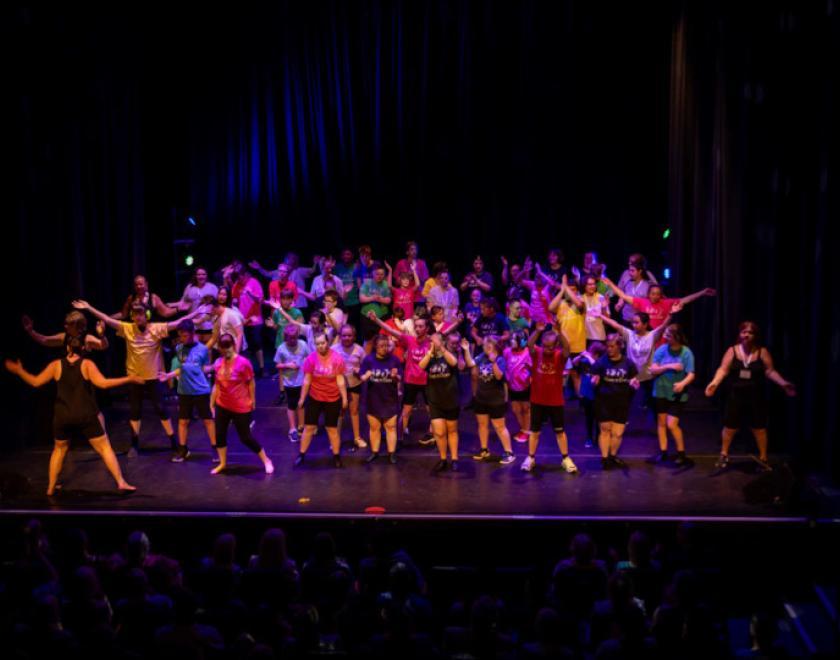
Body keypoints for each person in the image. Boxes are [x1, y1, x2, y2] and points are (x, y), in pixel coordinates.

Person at [5, 337, 140, 495]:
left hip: (63, 416)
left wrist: (20, 371)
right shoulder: (87, 364)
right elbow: (103, 383)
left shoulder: (56, 365)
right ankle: (121, 482)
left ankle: (50, 488)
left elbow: (36, 382)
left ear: (68, 348)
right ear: (83, 348)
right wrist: (129, 378)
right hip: (85, 414)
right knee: (104, 447)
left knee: (59, 450)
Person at [72, 299, 206, 456]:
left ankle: (173, 441)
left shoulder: (156, 328)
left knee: (161, 409)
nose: (138, 318)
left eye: (141, 314)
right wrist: (89, 307)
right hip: (135, 378)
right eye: (135, 315)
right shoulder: (128, 329)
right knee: (135, 411)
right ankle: (134, 443)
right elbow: (108, 320)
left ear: (147, 315)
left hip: (153, 377)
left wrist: (195, 313)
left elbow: (177, 323)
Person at [705, 321, 796, 470]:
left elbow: (770, 371)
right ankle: (724, 454)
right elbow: (723, 369)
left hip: (755, 396)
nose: (746, 335)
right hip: (736, 396)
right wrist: (714, 383)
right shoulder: (732, 351)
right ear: (739, 334)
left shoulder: (762, 351)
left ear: (755, 335)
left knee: (759, 428)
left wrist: (783, 383)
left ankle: (763, 457)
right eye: (744, 332)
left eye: (750, 332)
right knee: (730, 427)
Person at [210, 334, 274, 475]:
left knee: (245, 437)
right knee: (219, 435)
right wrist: (212, 403)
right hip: (223, 404)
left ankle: (266, 460)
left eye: (229, 347)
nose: (227, 351)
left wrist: (252, 401)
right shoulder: (218, 363)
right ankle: (222, 463)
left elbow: (250, 382)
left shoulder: (243, 363)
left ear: (233, 346)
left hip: (240, 406)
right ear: (220, 349)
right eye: (223, 348)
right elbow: (217, 385)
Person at [368, 312, 435, 445]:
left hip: (427, 380)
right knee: (406, 410)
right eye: (416, 326)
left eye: (421, 326)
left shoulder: (432, 341)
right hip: (411, 380)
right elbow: (391, 330)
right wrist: (376, 320)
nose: (418, 329)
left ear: (427, 328)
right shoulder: (410, 339)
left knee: (431, 410)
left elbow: (446, 338)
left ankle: (431, 434)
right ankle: (399, 437)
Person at [158, 320, 217, 464]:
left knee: (208, 421)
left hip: (200, 390)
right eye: (181, 336)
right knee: (183, 421)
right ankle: (183, 450)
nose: (183, 339)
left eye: (185, 336)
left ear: (192, 334)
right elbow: (182, 368)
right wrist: (169, 375)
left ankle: (216, 449)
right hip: (184, 390)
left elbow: (204, 368)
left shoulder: (202, 349)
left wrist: (213, 368)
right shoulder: (179, 348)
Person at [521, 323, 577, 473]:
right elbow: (529, 344)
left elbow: (567, 349)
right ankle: (531, 458)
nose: (548, 349)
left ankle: (565, 458)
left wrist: (559, 332)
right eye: (545, 346)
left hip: (555, 401)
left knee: (560, 431)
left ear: (556, 344)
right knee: (535, 431)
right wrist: (538, 331)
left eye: (551, 347)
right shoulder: (537, 352)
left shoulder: (559, 355)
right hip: (537, 400)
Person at [598, 308, 678, 412]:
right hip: (631, 375)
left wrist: (670, 314)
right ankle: (622, 421)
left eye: (637, 322)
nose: (634, 325)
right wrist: (600, 316)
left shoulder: (652, 335)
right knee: (625, 400)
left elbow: (663, 326)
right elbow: (615, 324)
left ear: (645, 324)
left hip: (648, 375)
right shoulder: (629, 334)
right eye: (633, 322)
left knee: (653, 402)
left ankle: (658, 423)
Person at [296, 332, 348, 468]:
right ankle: (301, 454)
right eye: (317, 344)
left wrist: (345, 399)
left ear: (328, 342)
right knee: (309, 427)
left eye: (323, 343)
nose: (320, 346)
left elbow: (340, 380)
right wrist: (302, 398)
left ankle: (336, 456)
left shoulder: (337, 358)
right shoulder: (311, 359)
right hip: (315, 398)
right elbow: (307, 380)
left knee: (331, 429)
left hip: (332, 398)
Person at [591, 334, 640, 470]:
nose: (609, 349)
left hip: (622, 402)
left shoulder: (628, 363)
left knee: (618, 433)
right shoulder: (601, 362)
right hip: (604, 402)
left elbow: (633, 379)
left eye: (612, 346)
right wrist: (594, 381)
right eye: (607, 346)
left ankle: (612, 456)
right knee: (605, 429)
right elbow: (594, 378)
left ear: (620, 346)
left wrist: (634, 383)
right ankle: (605, 458)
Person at [650, 324, 695, 466]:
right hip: (661, 390)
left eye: (669, 335)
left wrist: (682, 384)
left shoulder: (686, 352)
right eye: (666, 334)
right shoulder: (662, 350)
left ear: (677, 337)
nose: (665, 337)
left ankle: (681, 453)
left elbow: (691, 374)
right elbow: (653, 370)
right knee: (661, 422)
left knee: (672, 424)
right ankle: (663, 452)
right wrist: (669, 366)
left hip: (677, 394)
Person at [465, 337, 515, 464]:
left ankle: (509, 452)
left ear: (495, 346)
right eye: (485, 345)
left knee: (499, 426)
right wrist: (466, 350)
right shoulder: (481, 356)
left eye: (489, 345)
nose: (485, 347)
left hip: (495, 399)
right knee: (482, 425)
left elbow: (499, 376)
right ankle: (484, 450)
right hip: (481, 398)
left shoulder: (500, 359)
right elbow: (470, 364)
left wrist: (493, 362)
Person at [419, 333, 462, 472]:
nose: (433, 343)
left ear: (443, 342)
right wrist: (431, 351)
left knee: (452, 430)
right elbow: (421, 366)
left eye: (436, 341)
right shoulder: (430, 357)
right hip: (434, 400)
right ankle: (443, 459)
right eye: (432, 341)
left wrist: (442, 348)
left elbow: (454, 363)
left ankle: (454, 459)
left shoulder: (449, 355)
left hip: (450, 399)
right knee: (439, 432)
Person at [603, 278, 716, 331]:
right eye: (653, 294)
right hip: (645, 339)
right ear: (648, 294)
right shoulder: (642, 302)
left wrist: (702, 293)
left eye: (658, 294)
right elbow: (623, 296)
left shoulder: (666, 303)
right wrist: (610, 284)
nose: (655, 296)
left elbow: (685, 300)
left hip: (661, 340)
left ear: (661, 295)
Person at [359, 335, 402, 464]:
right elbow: (362, 376)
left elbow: (399, 378)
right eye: (381, 346)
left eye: (387, 346)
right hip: (373, 399)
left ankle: (391, 453)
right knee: (374, 427)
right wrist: (365, 376)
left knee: (391, 427)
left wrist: (395, 376)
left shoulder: (394, 360)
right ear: (376, 347)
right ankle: (375, 452)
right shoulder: (369, 360)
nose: (385, 349)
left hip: (389, 399)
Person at [548, 278, 586, 396]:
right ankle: (558, 399)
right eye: (569, 291)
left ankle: (581, 401)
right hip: (562, 347)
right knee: (560, 374)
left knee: (576, 375)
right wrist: (562, 290)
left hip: (577, 347)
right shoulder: (560, 304)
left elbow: (579, 304)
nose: (570, 293)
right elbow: (550, 308)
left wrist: (566, 287)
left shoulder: (581, 303)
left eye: (573, 290)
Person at [331, 324, 367, 449]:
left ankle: (357, 438)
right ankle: (335, 439)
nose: (347, 338)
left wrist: (360, 370)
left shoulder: (359, 349)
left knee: (354, 411)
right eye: (344, 335)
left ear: (354, 336)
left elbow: (366, 366)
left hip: (354, 384)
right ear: (340, 336)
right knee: (339, 412)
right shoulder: (334, 349)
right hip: (338, 386)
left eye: (349, 335)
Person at [273, 324, 310, 442]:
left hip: (302, 380)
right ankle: (292, 429)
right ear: (286, 337)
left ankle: (301, 426)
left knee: (302, 403)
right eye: (290, 338)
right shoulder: (282, 348)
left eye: (295, 337)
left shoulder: (303, 345)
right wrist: (287, 365)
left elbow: (309, 358)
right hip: (289, 382)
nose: (293, 340)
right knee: (291, 405)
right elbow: (277, 364)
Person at [230, 269, 266, 377]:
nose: (240, 279)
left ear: (245, 274)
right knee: (246, 346)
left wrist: (251, 294)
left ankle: (262, 368)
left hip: (255, 319)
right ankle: (248, 369)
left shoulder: (253, 282)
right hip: (242, 320)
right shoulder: (236, 285)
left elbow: (260, 300)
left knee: (257, 343)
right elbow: (234, 300)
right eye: (237, 277)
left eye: (241, 276)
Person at [22, 312, 109, 353]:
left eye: (69, 324)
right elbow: (45, 340)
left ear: (77, 326)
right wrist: (31, 331)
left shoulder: (86, 338)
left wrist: (101, 335)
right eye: (66, 324)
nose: (65, 326)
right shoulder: (64, 337)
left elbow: (103, 346)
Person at [572, 342, 605, 449]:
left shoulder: (601, 362)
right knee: (589, 417)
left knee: (598, 418)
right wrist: (580, 356)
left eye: (592, 353)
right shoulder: (586, 361)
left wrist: (588, 357)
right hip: (587, 393)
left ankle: (599, 437)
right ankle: (589, 437)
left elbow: (596, 366)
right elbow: (574, 362)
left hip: (598, 394)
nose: (590, 354)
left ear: (597, 354)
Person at [172, 267, 218, 342]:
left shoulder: (212, 287)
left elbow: (218, 305)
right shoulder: (189, 287)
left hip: (208, 325)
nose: (201, 276)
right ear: (195, 276)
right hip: (194, 326)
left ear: (206, 276)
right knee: (195, 349)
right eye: (199, 274)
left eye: (203, 274)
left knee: (208, 350)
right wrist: (170, 305)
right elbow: (182, 302)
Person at [503, 330, 532, 442]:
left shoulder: (528, 352)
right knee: (515, 409)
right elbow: (505, 365)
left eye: (515, 339)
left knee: (526, 409)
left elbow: (532, 368)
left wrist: (528, 380)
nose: (512, 341)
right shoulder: (507, 352)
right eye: (511, 339)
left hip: (525, 386)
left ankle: (526, 431)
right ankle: (523, 429)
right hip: (512, 386)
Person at [614, 254, 657, 325]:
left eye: (631, 262)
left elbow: (656, 291)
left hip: (641, 320)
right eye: (629, 261)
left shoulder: (648, 279)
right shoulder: (626, 275)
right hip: (627, 318)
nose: (629, 263)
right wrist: (619, 303)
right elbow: (621, 292)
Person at [358, 263, 392, 351]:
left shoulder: (385, 284)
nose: (379, 276)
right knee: (368, 340)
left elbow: (389, 300)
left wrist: (380, 299)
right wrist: (372, 297)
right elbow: (361, 298)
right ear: (372, 273)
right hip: (367, 316)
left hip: (382, 317)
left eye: (381, 274)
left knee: (381, 339)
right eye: (377, 274)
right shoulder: (367, 283)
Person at [114, 275, 178, 321]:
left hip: (151, 333)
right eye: (136, 285)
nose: (138, 286)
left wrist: (178, 309)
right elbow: (123, 315)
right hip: (135, 333)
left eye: (141, 284)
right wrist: (107, 318)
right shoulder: (131, 298)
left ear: (146, 284)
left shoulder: (153, 297)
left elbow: (165, 313)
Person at [206, 287, 246, 353]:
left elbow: (240, 332)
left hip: (235, 347)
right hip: (222, 347)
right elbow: (214, 336)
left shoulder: (232, 312)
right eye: (220, 294)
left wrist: (236, 354)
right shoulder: (215, 313)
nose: (221, 297)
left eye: (224, 295)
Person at [580, 276, 610, 345]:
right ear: (584, 286)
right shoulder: (580, 299)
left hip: (598, 337)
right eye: (589, 284)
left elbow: (607, 321)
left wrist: (604, 308)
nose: (592, 286)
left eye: (594, 284)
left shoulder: (601, 298)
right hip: (584, 337)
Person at [334, 247, 360, 327]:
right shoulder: (337, 267)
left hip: (354, 302)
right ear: (341, 256)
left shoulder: (357, 266)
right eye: (344, 254)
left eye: (348, 254)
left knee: (354, 326)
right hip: (340, 302)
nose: (346, 256)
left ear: (352, 256)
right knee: (341, 326)